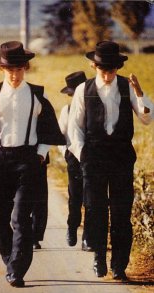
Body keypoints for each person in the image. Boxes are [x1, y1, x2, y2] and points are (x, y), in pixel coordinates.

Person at [0, 41, 65, 288]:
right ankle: (10, 261)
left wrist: (40, 154)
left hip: (29, 162)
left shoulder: (39, 95)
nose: (15, 75)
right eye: (10, 70)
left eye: (19, 70)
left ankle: (17, 270)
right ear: (2, 70)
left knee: (20, 218)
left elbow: (49, 130)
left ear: (26, 68)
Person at [68, 41, 153, 281]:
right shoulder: (83, 90)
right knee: (95, 210)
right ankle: (98, 258)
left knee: (121, 211)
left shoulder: (127, 86)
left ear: (118, 68)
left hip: (121, 159)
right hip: (93, 158)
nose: (107, 75)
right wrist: (83, 154)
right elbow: (75, 129)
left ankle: (119, 265)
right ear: (94, 66)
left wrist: (139, 92)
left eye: (112, 70)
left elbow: (148, 118)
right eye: (103, 70)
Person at [58, 71, 94, 252]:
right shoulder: (66, 110)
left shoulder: (95, 108)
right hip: (74, 159)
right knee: (75, 198)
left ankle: (87, 238)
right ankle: (72, 228)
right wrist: (66, 152)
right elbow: (60, 136)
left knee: (91, 199)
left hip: (92, 158)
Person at [32, 154, 49, 250]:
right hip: (9, 156)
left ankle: (35, 236)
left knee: (39, 199)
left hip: (38, 157)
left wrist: (41, 153)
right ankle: (19, 234)